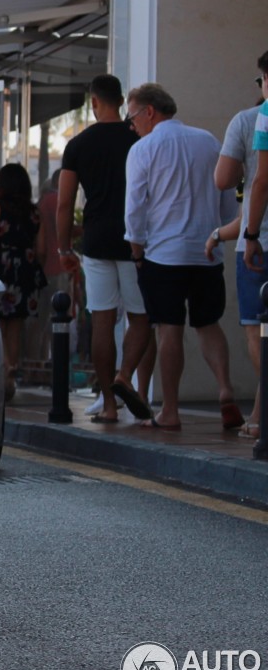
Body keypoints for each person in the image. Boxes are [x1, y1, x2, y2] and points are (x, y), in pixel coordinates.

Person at [124, 83, 241, 431]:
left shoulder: (143, 149)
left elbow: (135, 208)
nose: (131, 126)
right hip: (207, 252)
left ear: (149, 111)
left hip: (164, 254)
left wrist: (137, 249)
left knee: (169, 330)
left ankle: (170, 410)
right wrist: (216, 233)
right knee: (208, 325)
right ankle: (224, 389)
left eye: (132, 118)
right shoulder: (208, 141)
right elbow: (226, 199)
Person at [57, 75, 155, 424]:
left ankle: (111, 406)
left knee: (102, 320)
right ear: (119, 99)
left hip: (96, 241)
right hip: (136, 240)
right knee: (141, 317)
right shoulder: (138, 138)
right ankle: (126, 377)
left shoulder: (79, 144)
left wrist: (63, 247)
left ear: (94, 102)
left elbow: (65, 203)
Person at [212, 54, 268, 439]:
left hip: (261, 240)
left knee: (257, 330)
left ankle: (264, 416)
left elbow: (226, 179)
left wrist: (249, 237)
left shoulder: (253, 120)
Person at [0, 163, 48, 400]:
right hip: (25, 272)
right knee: (15, 327)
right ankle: (11, 372)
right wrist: (33, 269)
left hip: (0, 272)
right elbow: (42, 249)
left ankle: (3, 372)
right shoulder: (35, 212)